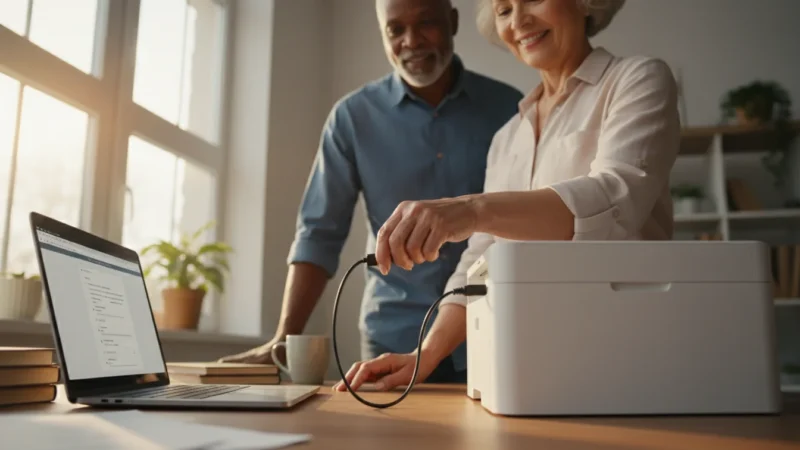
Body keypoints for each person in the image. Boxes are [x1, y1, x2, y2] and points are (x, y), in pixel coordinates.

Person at [334, 0, 681, 392]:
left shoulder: (637, 79)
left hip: (621, 352)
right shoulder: (508, 136)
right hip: (529, 363)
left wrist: (472, 209)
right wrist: (425, 355)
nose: (518, 21)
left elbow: (617, 200)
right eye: (503, 9)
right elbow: (478, 259)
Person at [218, 0, 523, 384]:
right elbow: (319, 234)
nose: (411, 41)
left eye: (426, 23)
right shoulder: (351, 118)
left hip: (489, 328)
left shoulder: (511, 109)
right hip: (392, 337)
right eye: (395, 30)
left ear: (453, 21)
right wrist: (282, 338)